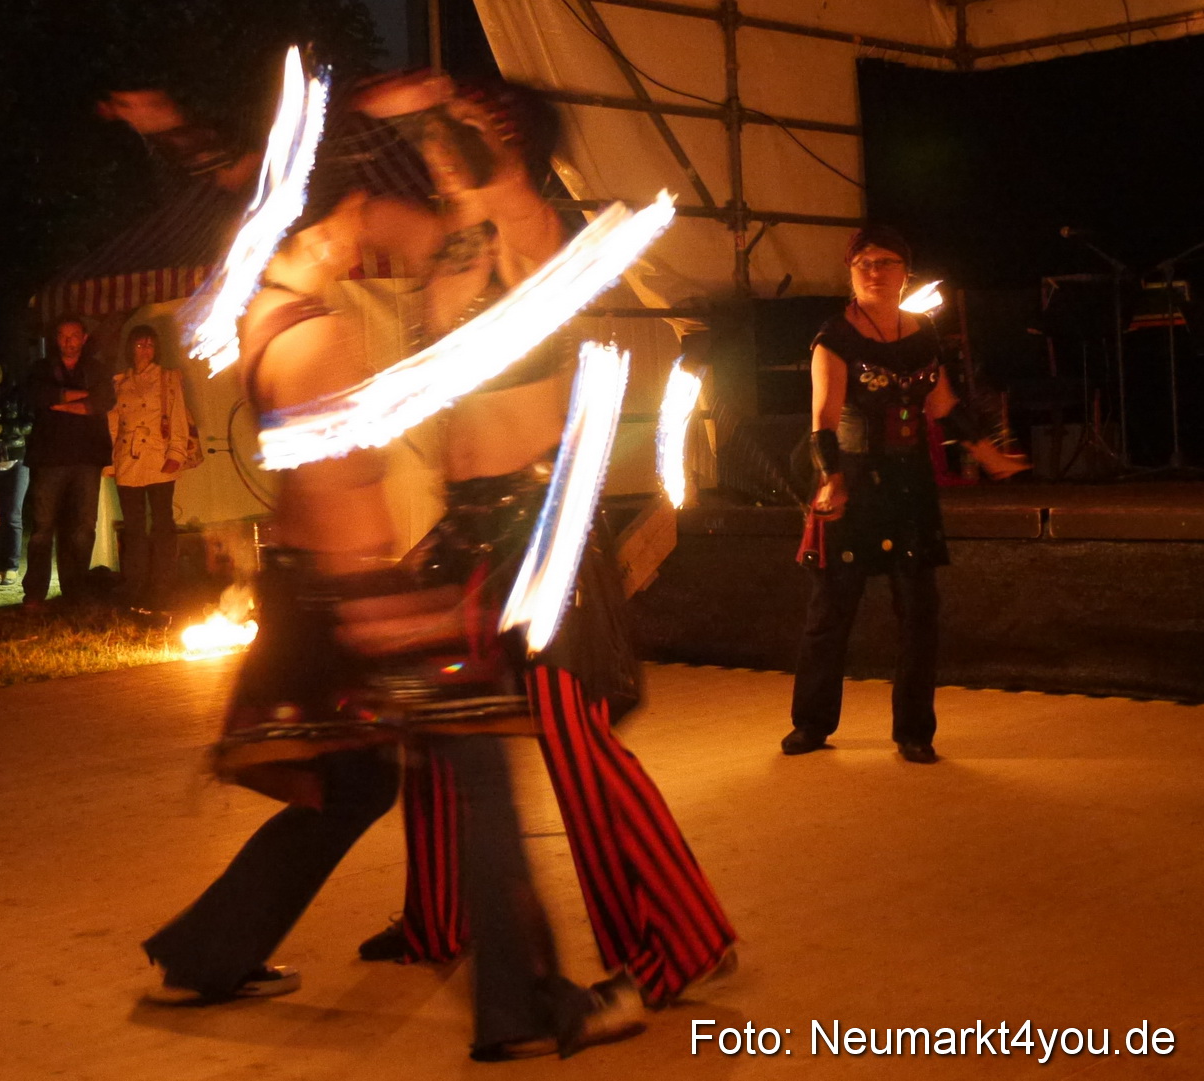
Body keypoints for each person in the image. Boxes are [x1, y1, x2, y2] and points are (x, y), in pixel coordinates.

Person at [141, 99, 631, 1062]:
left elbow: (433, 223)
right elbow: (338, 500)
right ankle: (522, 1012)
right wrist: (402, 613)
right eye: (364, 215)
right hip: (362, 595)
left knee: (350, 785)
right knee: (485, 781)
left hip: (306, 588)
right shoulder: (320, 336)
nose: (382, 232)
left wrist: (190, 136)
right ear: (335, 217)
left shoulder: (265, 308)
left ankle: (209, 949)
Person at [346, 72, 738, 1016]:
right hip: (468, 524)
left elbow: (494, 175)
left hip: (540, 526)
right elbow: (358, 213)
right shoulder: (448, 246)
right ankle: (440, 919)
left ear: (503, 141)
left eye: (462, 136)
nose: (441, 151)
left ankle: (680, 938)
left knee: (574, 742)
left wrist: (450, 108)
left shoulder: (530, 234)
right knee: (434, 723)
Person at [784, 227, 1028, 764]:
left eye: (886, 263)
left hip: (909, 484)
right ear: (852, 272)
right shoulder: (834, 337)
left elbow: (941, 403)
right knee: (832, 610)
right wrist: (831, 479)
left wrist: (986, 454)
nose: (875, 272)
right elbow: (823, 418)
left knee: (920, 611)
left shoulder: (922, 336)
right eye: (864, 263)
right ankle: (812, 723)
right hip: (849, 479)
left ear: (904, 273)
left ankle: (915, 731)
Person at [22, 317, 113, 606]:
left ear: (84, 338)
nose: (68, 341)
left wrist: (59, 402)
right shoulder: (41, 368)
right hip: (49, 458)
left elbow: (104, 401)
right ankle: (35, 592)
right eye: (63, 336)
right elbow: (37, 396)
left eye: (74, 336)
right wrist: (83, 399)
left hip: (87, 457)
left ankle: (76, 589)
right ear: (55, 339)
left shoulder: (97, 369)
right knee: (43, 526)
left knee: (84, 526)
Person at [108, 324, 189, 608]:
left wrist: (176, 452)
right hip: (128, 462)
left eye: (150, 345)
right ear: (130, 348)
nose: (145, 350)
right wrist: (112, 460)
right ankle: (134, 584)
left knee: (163, 523)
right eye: (140, 345)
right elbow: (114, 423)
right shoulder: (119, 382)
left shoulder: (167, 379)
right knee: (134, 527)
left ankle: (163, 585)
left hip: (159, 457)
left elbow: (178, 414)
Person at [0, 358, 31, 587]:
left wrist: (6, 429)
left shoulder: (16, 395)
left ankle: (11, 567)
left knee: (12, 513)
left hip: (15, 458)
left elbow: (30, 423)